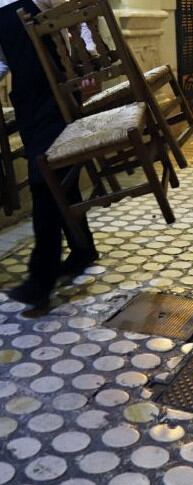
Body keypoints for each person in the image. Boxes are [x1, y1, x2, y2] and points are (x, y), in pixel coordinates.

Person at [0, 0, 98, 307]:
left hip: (57, 94)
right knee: (60, 176)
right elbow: (2, 61)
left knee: (44, 179)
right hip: (27, 102)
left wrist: (87, 58)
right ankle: (83, 249)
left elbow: (80, 16)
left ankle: (40, 279)